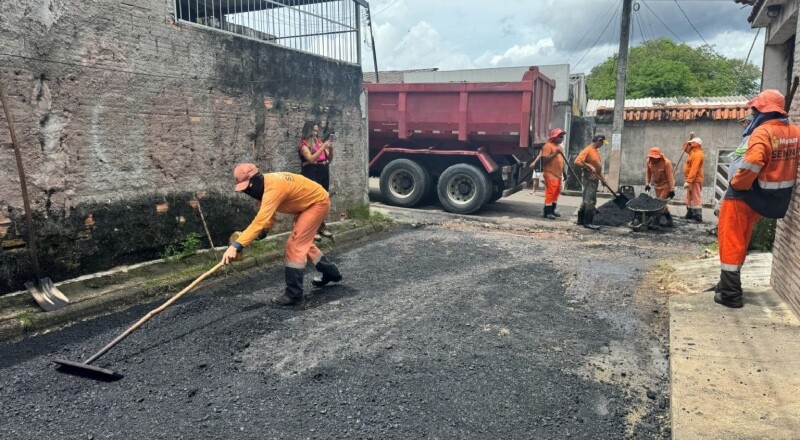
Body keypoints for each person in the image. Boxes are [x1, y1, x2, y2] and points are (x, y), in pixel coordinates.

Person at [715, 89, 800, 308]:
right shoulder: (794, 132)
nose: (751, 113)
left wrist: (737, 184)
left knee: (730, 241)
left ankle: (730, 294)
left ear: (762, 110)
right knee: (740, 240)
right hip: (765, 199)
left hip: (743, 195)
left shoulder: (762, 133)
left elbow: (752, 162)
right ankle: (727, 283)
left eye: (754, 109)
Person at [222, 163, 343, 306]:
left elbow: (259, 221)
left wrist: (236, 245)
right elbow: (268, 218)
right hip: (306, 205)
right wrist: (262, 233)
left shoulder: (273, 187)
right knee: (305, 244)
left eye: (248, 187)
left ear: (256, 179)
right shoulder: (262, 190)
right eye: (244, 190)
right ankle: (331, 273)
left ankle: (294, 294)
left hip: (317, 203)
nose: (247, 191)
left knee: (295, 245)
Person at [298, 121, 334, 240]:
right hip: (311, 171)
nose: (316, 132)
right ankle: (311, 230)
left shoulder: (319, 142)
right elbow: (311, 159)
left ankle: (321, 226)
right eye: (314, 130)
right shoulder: (304, 145)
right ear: (308, 130)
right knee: (313, 201)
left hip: (323, 169)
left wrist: (330, 148)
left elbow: (329, 158)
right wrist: (323, 147)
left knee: (323, 199)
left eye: (317, 130)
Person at [574, 134, 607, 230]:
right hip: (589, 179)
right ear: (599, 140)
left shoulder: (596, 151)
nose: (603, 144)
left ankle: (580, 220)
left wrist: (603, 180)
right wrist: (588, 166)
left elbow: (598, 169)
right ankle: (588, 222)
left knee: (586, 200)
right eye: (603, 142)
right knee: (591, 200)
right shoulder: (587, 150)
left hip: (595, 178)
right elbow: (577, 161)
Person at [644, 146, 676, 227]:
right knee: (662, 203)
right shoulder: (649, 161)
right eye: (652, 157)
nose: (654, 159)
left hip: (666, 185)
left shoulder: (666, 163)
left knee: (660, 203)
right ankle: (669, 220)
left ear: (659, 156)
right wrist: (647, 184)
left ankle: (656, 221)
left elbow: (670, 177)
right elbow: (648, 173)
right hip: (657, 185)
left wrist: (672, 189)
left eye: (655, 157)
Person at [540, 128, 567, 219]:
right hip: (550, 173)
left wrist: (564, 172)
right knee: (550, 193)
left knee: (556, 192)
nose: (562, 139)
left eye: (562, 137)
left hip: (558, 174)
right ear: (554, 137)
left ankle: (552, 210)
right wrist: (555, 153)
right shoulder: (548, 146)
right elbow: (544, 159)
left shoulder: (559, 147)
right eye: (560, 137)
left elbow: (561, 161)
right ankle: (547, 212)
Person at [682, 137, 705, 222]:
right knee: (689, 197)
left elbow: (694, 168)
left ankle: (697, 216)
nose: (689, 145)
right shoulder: (692, 153)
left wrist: (689, 181)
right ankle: (690, 214)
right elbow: (684, 149)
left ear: (695, 144)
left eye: (691, 143)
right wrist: (688, 141)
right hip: (691, 179)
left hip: (694, 180)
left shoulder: (697, 154)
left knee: (695, 197)